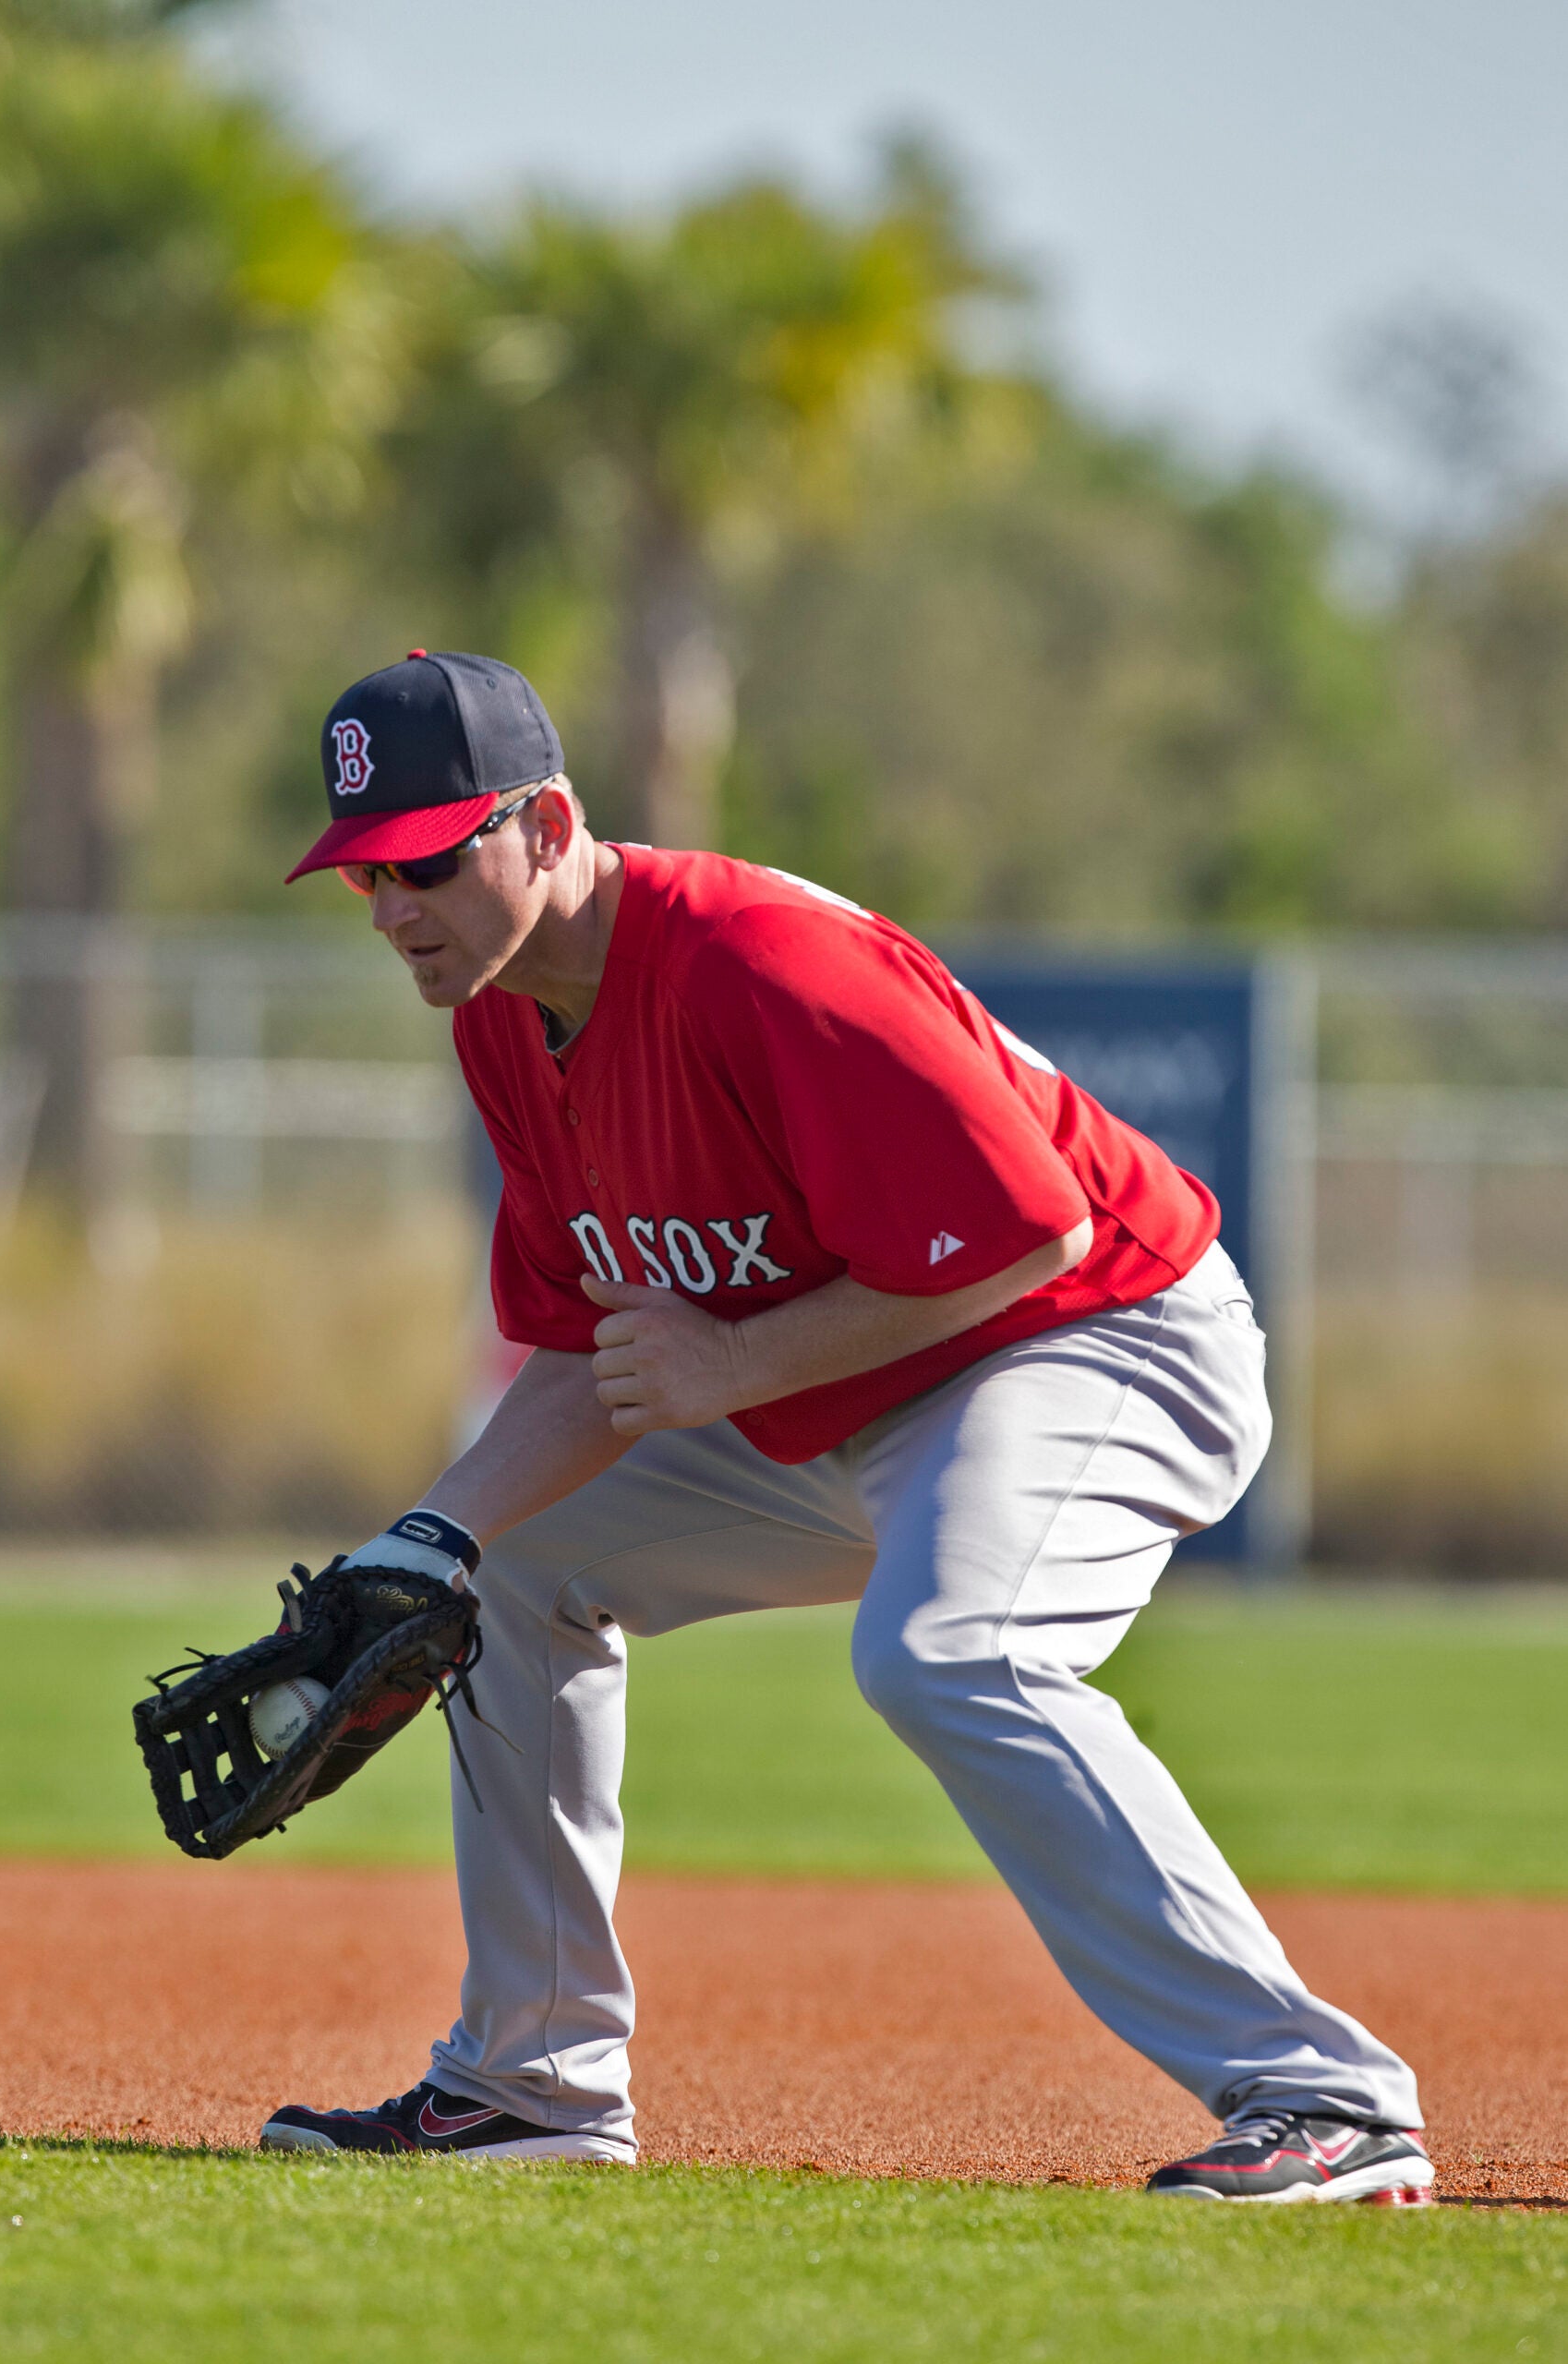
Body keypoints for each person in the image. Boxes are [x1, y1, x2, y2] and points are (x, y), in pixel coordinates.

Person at [259, 648, 1432, 2203]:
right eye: (364, 876)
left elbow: (1037, 1233)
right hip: (852, 1395)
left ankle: (1324, 2097)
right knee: (501, 1571)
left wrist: (732, 1376)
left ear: (546, 824)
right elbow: (582, 1357)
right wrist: (424, 1542)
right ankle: (529, 2080)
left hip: (1102, 1338)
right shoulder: (500, 1018)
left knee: (955, 1650)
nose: (396, 908)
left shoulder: (759, 957)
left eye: (427, 859)